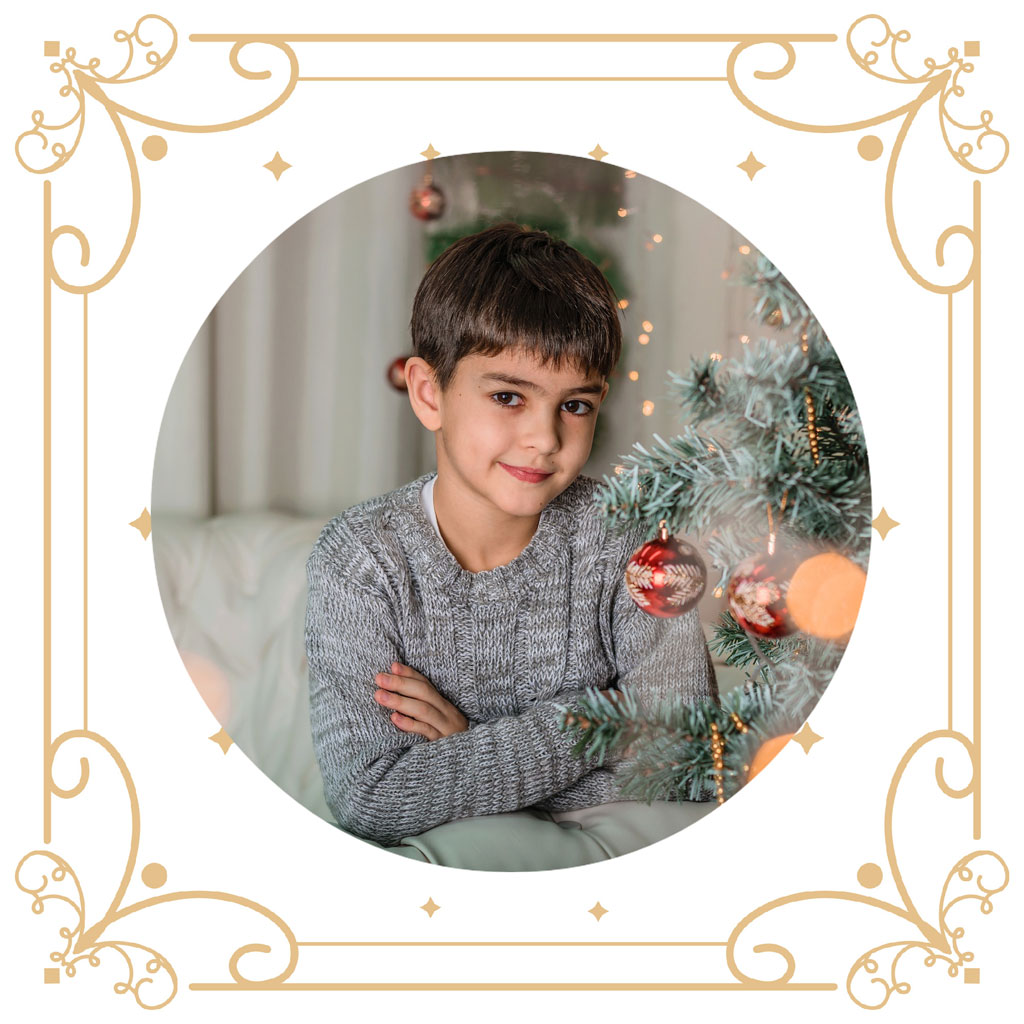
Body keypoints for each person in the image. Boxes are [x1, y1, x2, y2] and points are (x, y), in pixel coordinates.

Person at [305, 221, 719, 848]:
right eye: (507, 397)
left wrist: (467, 745)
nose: (546, 438)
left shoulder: (634, 540)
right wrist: (603, 721)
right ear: (428, 392)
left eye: (575, 405)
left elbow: (684, 768)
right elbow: (371, 800)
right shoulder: (360, 561)